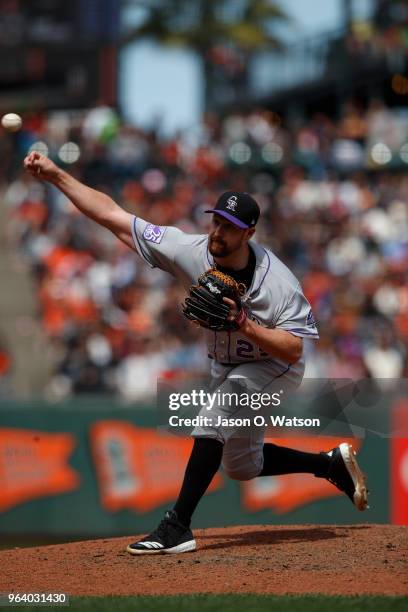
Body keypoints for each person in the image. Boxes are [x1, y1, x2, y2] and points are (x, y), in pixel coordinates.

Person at [24, 151, 368, 555]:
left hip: (273, 365)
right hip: (225, 364)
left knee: (212, 421)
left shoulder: (278, 284)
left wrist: (244, 324)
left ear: (250, 233)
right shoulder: (188, 249)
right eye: (217, 220)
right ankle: (329, 465)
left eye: (231, 226)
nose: (219, 231)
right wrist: (55, 175)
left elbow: (295, 349)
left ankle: (177, 527)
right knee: (242, 466)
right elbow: (113, 216)